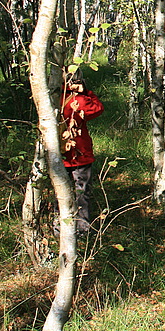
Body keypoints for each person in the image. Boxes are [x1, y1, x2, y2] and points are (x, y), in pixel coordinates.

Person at [61, 70, 104, 235]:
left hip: (58, 153)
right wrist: (86, 92)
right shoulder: (79, 100)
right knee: (81, 192)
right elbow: (98, 108)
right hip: (80, 154)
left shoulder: (54, 99)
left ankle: (60, 228)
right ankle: (82, 228)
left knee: (62, 191)